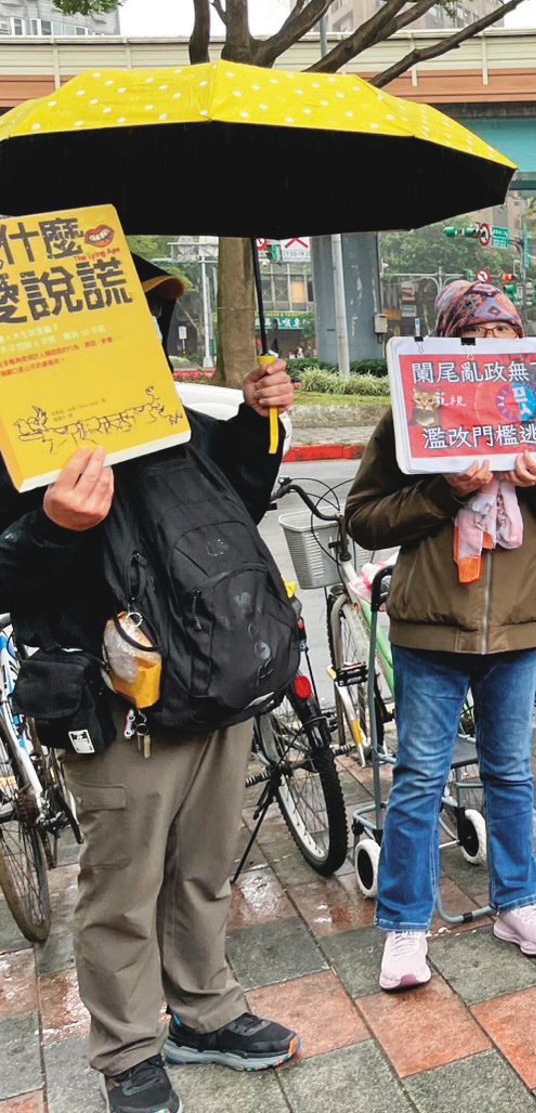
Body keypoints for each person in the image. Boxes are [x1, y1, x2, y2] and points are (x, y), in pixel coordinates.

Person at [0, 258, 300, 1113]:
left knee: (204, 867)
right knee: (123, 887)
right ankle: (130, 1047)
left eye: (147, 322)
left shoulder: (170, 419)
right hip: (113, 701)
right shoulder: (16, 436)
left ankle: (203, 1012)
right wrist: (54, 528)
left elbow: (234, 502)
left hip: (215, 686)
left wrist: (257, 421)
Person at [346, 280, 536, 990]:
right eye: (475, 340)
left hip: (520, 627)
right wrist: (443, 492)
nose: (491, 351)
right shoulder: (413, 410)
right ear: (447, 348)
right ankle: (403, 924)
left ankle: (517, 903)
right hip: (432, 626)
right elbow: (363, 518)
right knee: (420, 778)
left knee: (512, 771)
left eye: (503, 337)